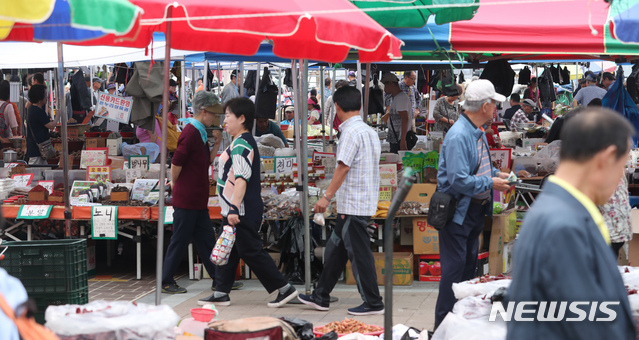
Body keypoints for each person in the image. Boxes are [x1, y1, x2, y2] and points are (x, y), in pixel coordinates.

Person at [506, 108, 636, 339]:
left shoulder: (560, 211)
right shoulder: (563, 226)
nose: (619, 179)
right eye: (621, 167)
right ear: (606, 158)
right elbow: (588, 326)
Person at [202, 97, 297, 307]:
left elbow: (241, 179)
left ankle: (284, 288)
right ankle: (221, 291)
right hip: (236, 208)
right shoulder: (240, 142)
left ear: (242, 118)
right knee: (230, 246)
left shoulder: (242, 144)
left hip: (241, 209)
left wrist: (234, 208)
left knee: (249, 250)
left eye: (228, 115)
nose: (224, 120)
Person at [298, 85, 384, 316]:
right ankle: (321, 295)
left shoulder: (350, 132)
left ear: (336, 106)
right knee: (336, 249)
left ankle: (373, 302)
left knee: (360, 255)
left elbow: (343, 167)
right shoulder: (368, 131)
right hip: (359, 201)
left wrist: (326, 197)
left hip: (354, 204)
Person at [434, 79, 512, 328]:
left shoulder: (475, 131)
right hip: (458, 213)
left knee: (467, 272)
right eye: (494, 104)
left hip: (472, 212)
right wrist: (491, 183)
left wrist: (497, 176)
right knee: (455, 275)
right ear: (485, 106)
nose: (496, 109)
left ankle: (459, 326)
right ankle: (442, 327)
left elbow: (475, 170)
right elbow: (458, 181)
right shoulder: (460, 135)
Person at [162, 91, 242, 294]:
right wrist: (174, 182)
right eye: (213, 115)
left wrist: (216, 143)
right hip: (187, 198)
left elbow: (205, 161)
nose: (215, 119)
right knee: (180, 240)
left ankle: (219, 279)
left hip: (196, 199)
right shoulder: (190, 132)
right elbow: (176, 162)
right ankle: (166, 280)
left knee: (207, 241)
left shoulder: (199, 131)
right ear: (204, 112)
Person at [26, 85, 60, 165]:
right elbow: (51, 126)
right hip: (37, 150)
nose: (46, 97)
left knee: (42, 171)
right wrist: (58, 116)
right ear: (39, 98)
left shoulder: (33, 110)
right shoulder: (37, 111)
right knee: (36, 173)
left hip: (37, 148)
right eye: (45, 94)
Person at [382, 73, 411, 153]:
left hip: (398, 140)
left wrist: (402, 140)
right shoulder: (397, 98)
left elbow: (405, 119)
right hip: (396, 139)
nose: (384, 89)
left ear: (390, 83)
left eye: (385, 85)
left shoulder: (401, 98)